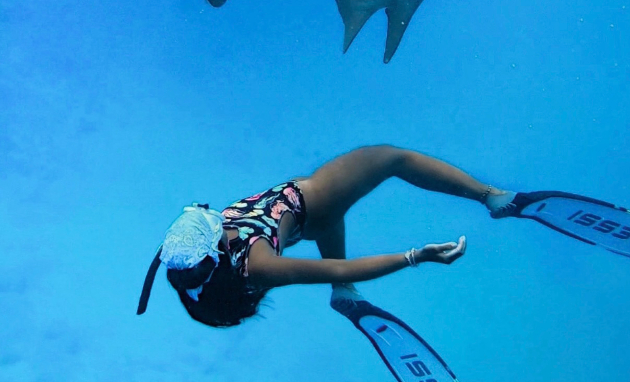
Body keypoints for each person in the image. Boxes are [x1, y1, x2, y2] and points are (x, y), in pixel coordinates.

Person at [137, 145, 519, 327]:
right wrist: (415, 256)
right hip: (308, 204)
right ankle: (491, 196)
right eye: (208, 222)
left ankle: (345, 296)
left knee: (330, 223)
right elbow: (339, 267)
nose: (205, 213)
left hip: (295, 230)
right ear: (216, 250)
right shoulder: (259, 265)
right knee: (391, 159)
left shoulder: (180, 259)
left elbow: (180, 269)